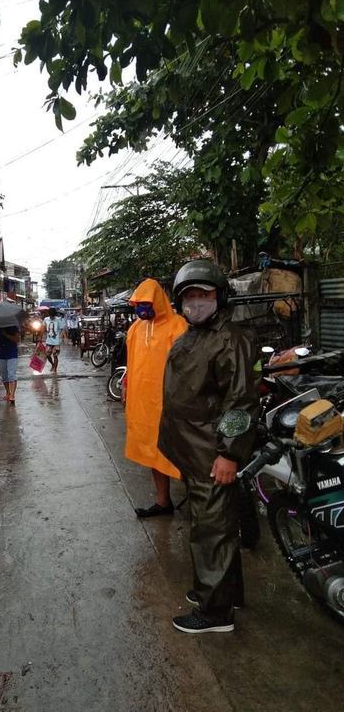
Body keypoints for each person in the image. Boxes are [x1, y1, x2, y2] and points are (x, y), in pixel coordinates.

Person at [158, 260, 258, 634]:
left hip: (212, 452)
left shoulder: (230, 339)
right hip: (191, 449)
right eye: (189, 296)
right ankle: (217, 592)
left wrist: (229, 454)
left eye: (204, 295)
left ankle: (215, 615)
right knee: (212, 525)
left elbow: (241, 402)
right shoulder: (194, 335)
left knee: (211, 531)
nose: (196, 302)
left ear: (220, 298)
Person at [124, 279, 187, 518]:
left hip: (172, 402)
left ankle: (203, 508)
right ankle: (163, 502)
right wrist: (126, 385)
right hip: (144, 404)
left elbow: (186, 366)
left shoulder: (177, 325)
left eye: (146, 302)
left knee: (183, 454)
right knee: (152, 451)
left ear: (158, 301)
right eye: (138, 303)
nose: (142, 307)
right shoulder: (136, 329)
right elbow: (131, 363)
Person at [0, 326, 19, 404]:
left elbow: (16, 339)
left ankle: (12, 395)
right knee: (4, 375)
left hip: (12, 354)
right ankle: (8, 392)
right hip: (1, 354)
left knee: (11, 375)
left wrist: (6, 335)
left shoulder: (13, 327)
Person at [43, 307, 62, 373]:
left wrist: (64, 338)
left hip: (56, 341)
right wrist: (41, 336)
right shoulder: (46, 319)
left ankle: (55, 369)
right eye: (51, 316)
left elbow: (61, 330)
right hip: (49, 341)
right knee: (47, 354)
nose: (52, 317)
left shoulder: (58, 320)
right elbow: (43, 329)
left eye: (53, 316)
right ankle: (52, 364)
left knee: (55, 355)